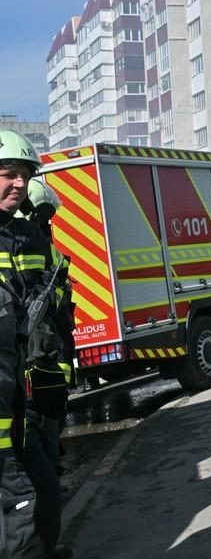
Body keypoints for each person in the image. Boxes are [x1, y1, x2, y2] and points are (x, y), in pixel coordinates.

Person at [0, 131, 56, 557]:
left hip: (16, 399)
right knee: (22, 505)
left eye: (24, 176)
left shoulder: (22, 235)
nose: (19, 184)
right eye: (9, 174)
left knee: (42, 494)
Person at [16, 179, 74, 559]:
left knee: (49, 420)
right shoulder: (24, 239)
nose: (45, 218)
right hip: (33, 358)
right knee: (40, 430)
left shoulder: (36, 235)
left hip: (45, 352)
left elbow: (51, 290)